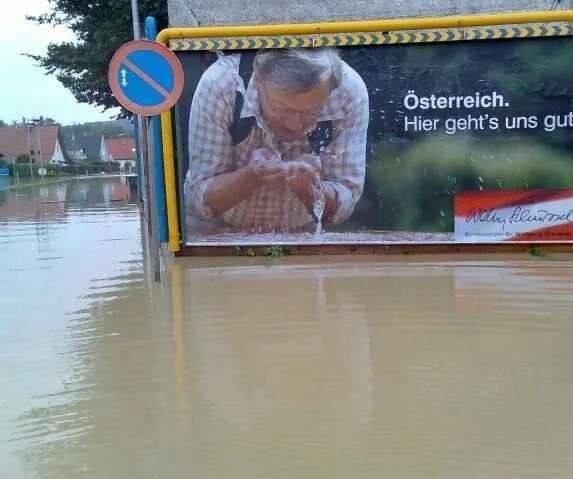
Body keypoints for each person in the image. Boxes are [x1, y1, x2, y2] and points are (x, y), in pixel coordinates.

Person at [184, 47, 369, 234]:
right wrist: (251, 176)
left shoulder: (349, 93)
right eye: (282, 108)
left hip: (302, 235)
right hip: (217, 232)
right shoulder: (222, 85)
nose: (295, 125)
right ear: (258, 81)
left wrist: (311, 189)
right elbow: (199, 198)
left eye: (313, 111)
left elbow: (346, 201)